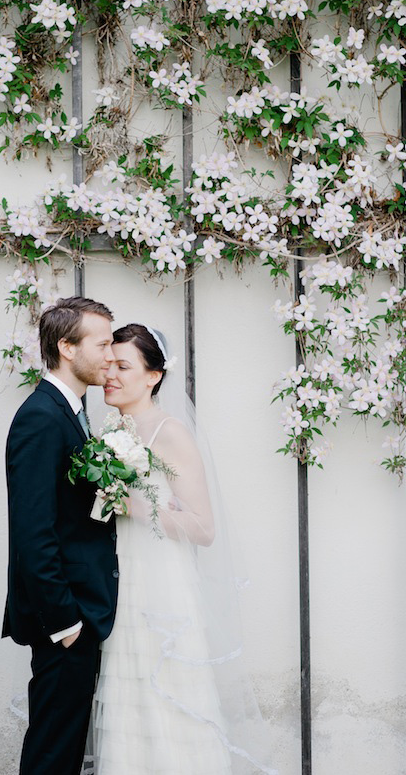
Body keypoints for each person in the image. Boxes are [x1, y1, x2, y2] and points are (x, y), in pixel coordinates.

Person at [92, 323, 277, 775]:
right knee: (128, 701)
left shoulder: (169, 432)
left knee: (168, 698)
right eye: (107, 364)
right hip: (121, 584)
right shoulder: (110, 428)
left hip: (161, 590)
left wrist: (134, 506)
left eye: (123, 366)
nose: (109, 375)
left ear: (154, 376)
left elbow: (203, 527)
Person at [2, 296, 120, 775]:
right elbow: (34, 533)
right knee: (53, 751)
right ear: (67, 348)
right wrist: (65, 623)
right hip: (65, 621)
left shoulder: (71, 411)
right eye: (104, 343)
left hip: (79, 614)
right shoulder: (41, 417)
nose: (111, 354)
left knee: (65, 748)